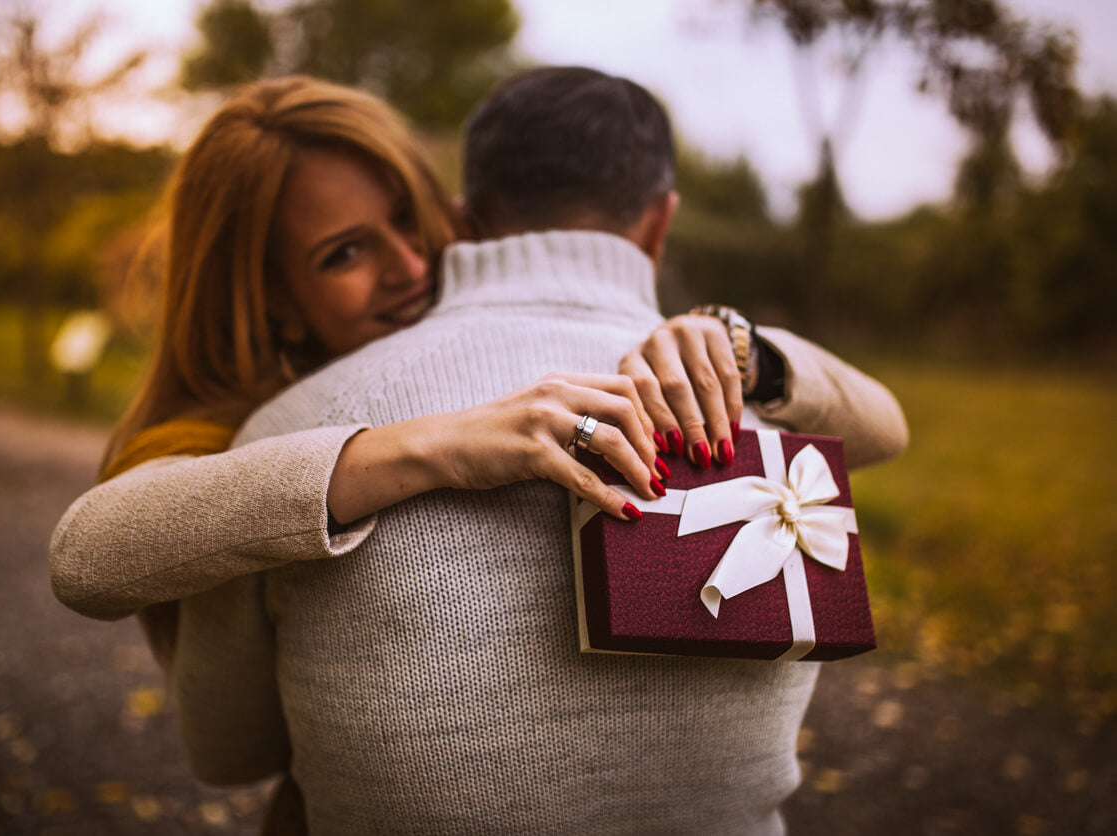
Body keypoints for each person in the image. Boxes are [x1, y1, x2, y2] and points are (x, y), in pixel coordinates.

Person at [167, 67, 907, 834]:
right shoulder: (769, 421)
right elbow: (888, 427)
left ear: (465, 219)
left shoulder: (288, 436)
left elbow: (227, 752)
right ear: (661, 223)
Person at [49, 75, 904, 659]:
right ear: (269, 296)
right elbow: (85, 558)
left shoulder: (512, 348)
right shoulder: (231, 430)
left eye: (408, 219)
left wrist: (733, 343)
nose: (410, 265)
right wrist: (415, 447)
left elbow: (883, 430)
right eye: (345, 253)